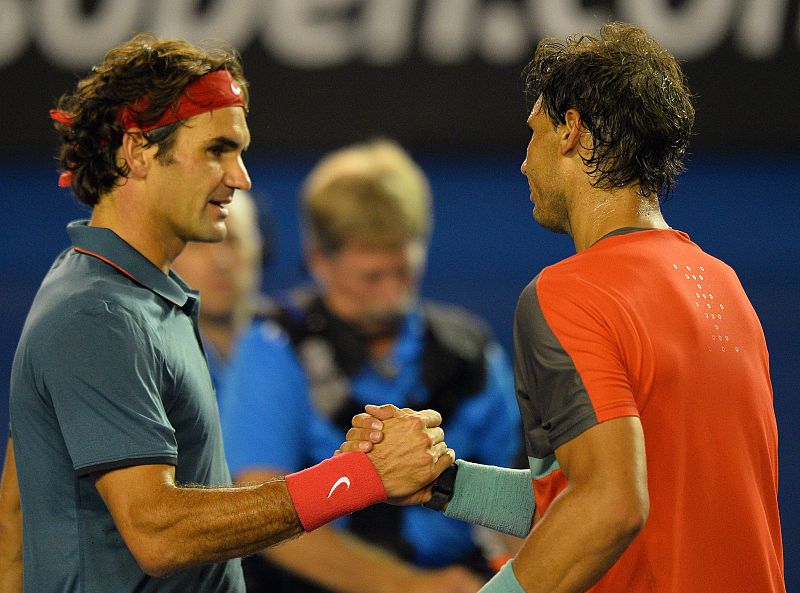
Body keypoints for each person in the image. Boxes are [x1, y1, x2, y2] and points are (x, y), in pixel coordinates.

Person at [2, 34, 454, 593]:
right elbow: (159, 533)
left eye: (239, 152)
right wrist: (356, 478)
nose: (241, 177)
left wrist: (342, 471)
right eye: (218, 150)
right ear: (138, 152)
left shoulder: (130, 297)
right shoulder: (100, 314)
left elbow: (16, 514)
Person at [343, 22, 785, 593]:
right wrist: (443, 483)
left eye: (533, 134)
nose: (524, 163)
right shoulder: (725, 286)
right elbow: (598, 500)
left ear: (571, 130)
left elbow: (610, 508)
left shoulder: (569, 293)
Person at [220, 139, 522, 593]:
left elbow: (522, 501)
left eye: (403, 271)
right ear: (319, 260)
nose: (392, 294)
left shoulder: (467, 350)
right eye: (371, 277)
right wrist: (407, 587)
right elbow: (262, 512)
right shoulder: (274, 345)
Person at [171, 189, 268, 389]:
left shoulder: (295, 343)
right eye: (199, 244)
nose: (220, 262)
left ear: (257, 249)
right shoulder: (152, 360)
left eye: (232, 240)